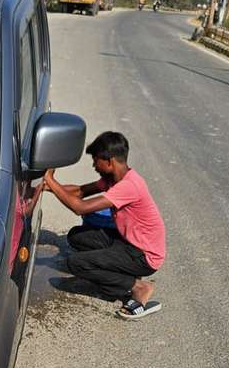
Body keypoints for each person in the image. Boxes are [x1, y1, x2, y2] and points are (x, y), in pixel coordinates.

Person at [43, 131, 166, 319]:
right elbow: (79, 192)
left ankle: (138, 287)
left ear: (109, 161)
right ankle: (120, 272)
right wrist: (49, 187)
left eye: (95, 160)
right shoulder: (114, 178)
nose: (93, 165)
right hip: (128, 242)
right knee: (77, 236)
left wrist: (50, 179)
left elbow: (80, 207)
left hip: (144, 255)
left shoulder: (129, 186)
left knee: (76, 263)